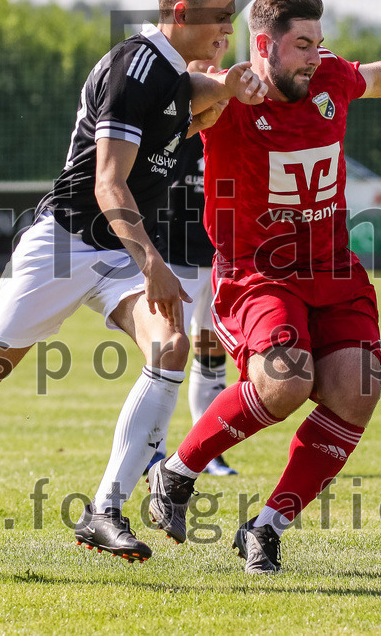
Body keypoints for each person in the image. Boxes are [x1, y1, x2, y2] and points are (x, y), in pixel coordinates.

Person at [0, 0, 267, 575]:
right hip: (63, 245)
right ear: (180, 12)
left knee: (171, 348)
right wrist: (156, 265)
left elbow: (201, 93)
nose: (227, 26)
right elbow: (109, 185)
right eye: (219, 14)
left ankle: (105, 508)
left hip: (117, 255)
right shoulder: (134, 69)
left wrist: (233, 85)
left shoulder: (172, 75)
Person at [147, 0, 381, 574]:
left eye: (318, 43)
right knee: (287, 382)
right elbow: (182, 107)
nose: (313, 56)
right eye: (302, 45)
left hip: (333, 270)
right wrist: (218, 85)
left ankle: (266, 527)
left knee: (358, 392)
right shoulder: (230, 96)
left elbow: (377, 74)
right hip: (258, 276)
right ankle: (176, 474)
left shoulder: (330, 78)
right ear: (264, 45)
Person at [143, 38, 239, 479]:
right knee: (166, 352)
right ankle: (153, 449)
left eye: (216, 56)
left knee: (211, 352)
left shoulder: (231, 108)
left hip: (219, 255)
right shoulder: (171, 108)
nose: (209, 64)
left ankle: (207, 450)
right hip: (175, 256)